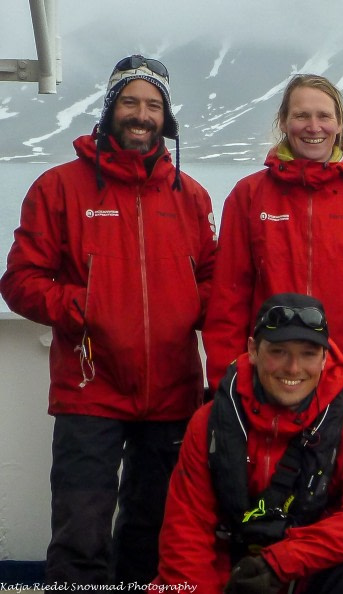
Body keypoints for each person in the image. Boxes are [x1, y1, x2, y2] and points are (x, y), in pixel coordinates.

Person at [0, 55, 217, 584]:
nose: (141, 115)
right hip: (89, 388)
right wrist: (85, 308)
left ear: (167, 117)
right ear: (109, 109)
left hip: (172, 391)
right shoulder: (59, 188)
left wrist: (191, 305)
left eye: (153, 105)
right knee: (81, 532)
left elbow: (214, 280)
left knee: (153, 530)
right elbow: (21, 281)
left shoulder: (190, 197)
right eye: (130, 102)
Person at [156, 293, 343, 594]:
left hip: (307, 571)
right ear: (253, 350)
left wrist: (281, 561)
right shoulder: (208, 423)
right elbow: (185, 536)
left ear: (326, 358)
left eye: (309, 354)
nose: (293, 368)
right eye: (279, 351)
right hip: (230, 576)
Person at [202, 74, 343, 420]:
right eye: (301, 116)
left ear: (339, 124)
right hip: (270, 386)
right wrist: (230, 390)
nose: (314, 127)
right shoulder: (249, 196)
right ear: (283, 122)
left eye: (324, 116)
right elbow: (228, 305)